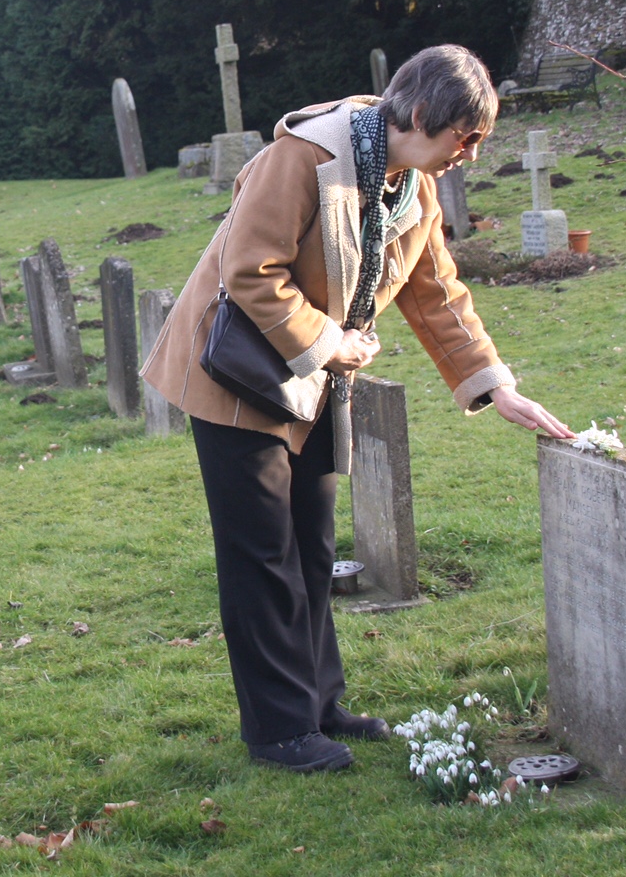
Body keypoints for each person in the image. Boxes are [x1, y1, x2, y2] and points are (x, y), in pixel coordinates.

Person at [141, 45, 571, 773]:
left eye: (480, 142)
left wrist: (496, 386)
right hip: (232, 376)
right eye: (466, 136)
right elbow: (252, 271)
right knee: (262, 557)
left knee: (310, 548)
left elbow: (438, 294)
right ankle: (278, 733)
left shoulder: (414, 189)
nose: (470, 154)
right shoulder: (303, 157)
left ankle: (317, 704)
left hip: (308, 384)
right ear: (424, 113)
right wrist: (331, 342)